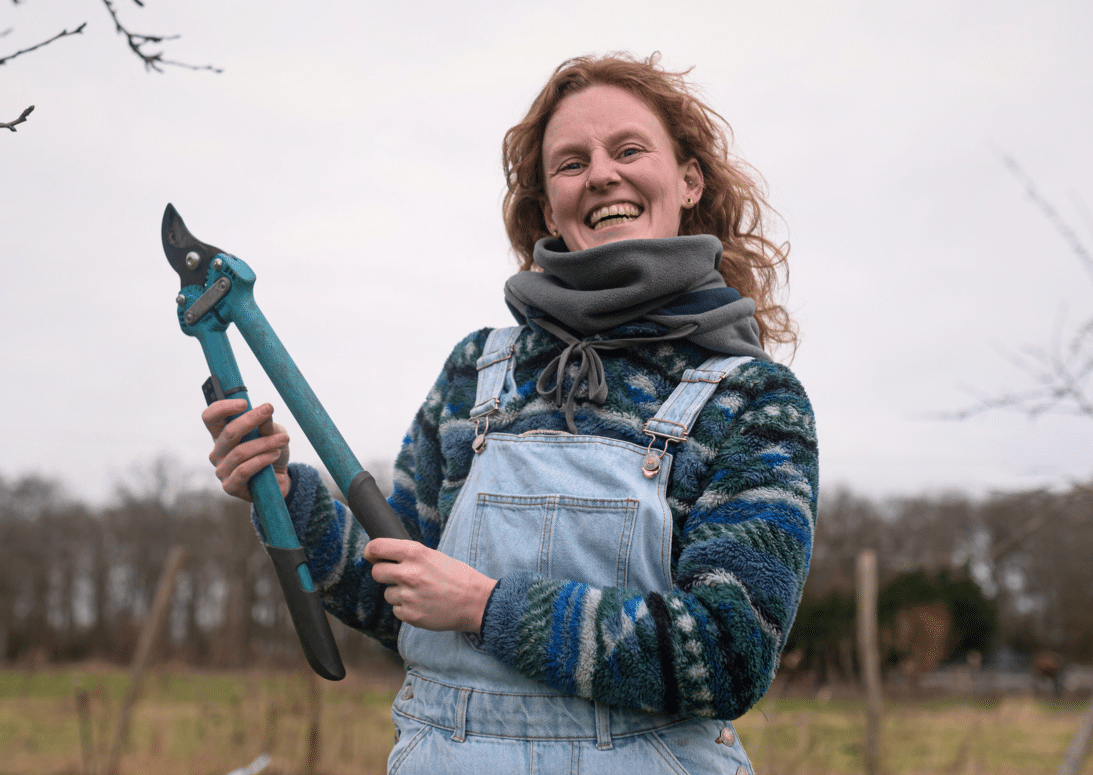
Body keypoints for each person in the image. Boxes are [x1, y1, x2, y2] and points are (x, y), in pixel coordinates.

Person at [203, 52, 818, 774]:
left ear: (688, 179)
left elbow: (726, 655)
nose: (600, 174)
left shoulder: (752, 397)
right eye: (570, 162)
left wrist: (487, 605)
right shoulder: (478, 370)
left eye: (628, 149)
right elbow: (395, 595)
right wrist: (283, 490)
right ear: (546, 205)